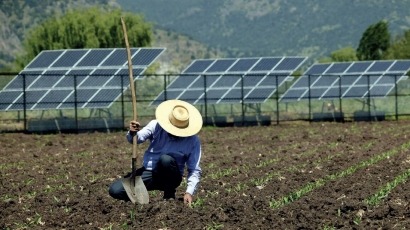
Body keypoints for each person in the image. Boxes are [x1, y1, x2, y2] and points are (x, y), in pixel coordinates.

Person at [108, 99, 203, 205]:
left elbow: (194, 169)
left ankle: (169, 194)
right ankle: (141, 200)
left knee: (165, 160)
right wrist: (133, 132)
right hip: (150, 173)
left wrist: (189, 192)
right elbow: (137, 139)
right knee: (115, 190)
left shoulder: (192, 140)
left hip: (172, 177)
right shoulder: (156, 125)